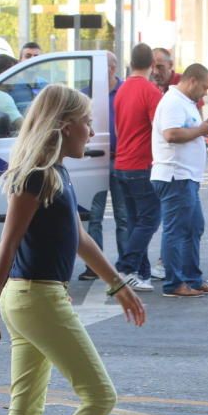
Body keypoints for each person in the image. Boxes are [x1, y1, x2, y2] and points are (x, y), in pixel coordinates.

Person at [0, 84, 146, 415]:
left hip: (36, 297)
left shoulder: (57, 174)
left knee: (24, 412)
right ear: (64, 125)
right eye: (87, 121)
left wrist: (117, 284)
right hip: (34, 297)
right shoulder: (35, 177)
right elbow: (5, 246)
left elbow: (76, 239)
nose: (92, 130)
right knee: (99, 395)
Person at [151, 64, 208, 298]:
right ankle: (174, 283)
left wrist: (202, 129)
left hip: (185, 177)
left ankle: (191, 278)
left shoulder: (185, 102)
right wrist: (200, 130)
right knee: (177, 230)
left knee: (193, 228)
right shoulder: (173, 102)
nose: (205, 93)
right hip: (175, 176)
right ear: (192, 81)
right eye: (205, 87)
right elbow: (171, 134)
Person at [113, 43, 163, 291]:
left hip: (121, 162)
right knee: (150, 219)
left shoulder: (121, 90)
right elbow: (161, 130)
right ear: (152, 65)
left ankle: (140, 273)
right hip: (142, 164)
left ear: (131, 63)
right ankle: (126, 267)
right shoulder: (151, 92)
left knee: (135, 220)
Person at [81, 51, 129, 282]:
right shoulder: (86, 94)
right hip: (94, 159)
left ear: (112, 69)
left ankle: (125, 265)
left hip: (120, 159)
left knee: (123, 215)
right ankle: (94, 265)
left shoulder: (125, 92)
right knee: (93, 215)